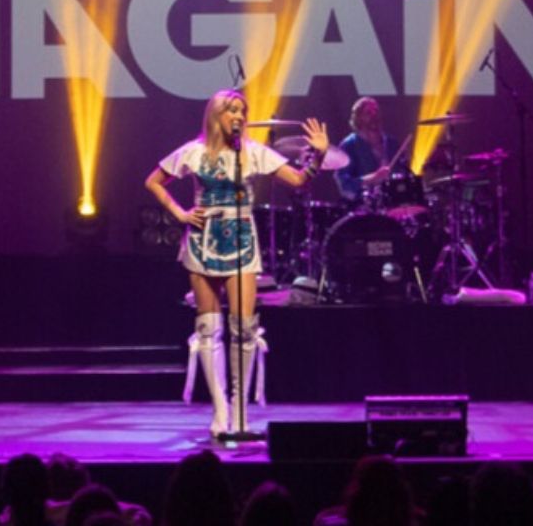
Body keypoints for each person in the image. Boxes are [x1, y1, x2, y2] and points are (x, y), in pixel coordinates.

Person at [144, 89, 339, 436]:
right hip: (203, 240)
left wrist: (318, 157)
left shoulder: (252, 152)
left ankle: (239, 409)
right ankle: (220, 411)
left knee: (245, 328)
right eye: (231, 110)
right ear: (215, 115)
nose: (238, 116)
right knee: (208, 329)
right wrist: (180, 213)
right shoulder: (192, 152)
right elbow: (154, 181)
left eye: (242, 111)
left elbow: (299, 181)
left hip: (241, 242)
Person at [333, 97, 396, 206]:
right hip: (363, 208)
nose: (374, 115)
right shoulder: (349, 145)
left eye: (376, 111)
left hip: (393, 203)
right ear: (358, 118)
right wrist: (374, 177)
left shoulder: (391, 143)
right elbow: (344, 184)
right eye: (368, 112)